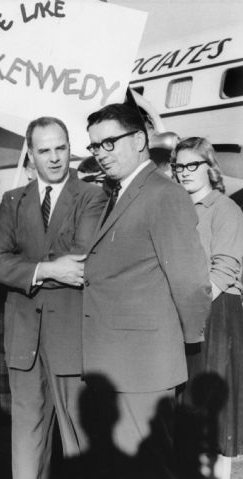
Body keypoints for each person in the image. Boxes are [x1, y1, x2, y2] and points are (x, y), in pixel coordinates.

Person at [82, 104, 212, 469]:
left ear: (139, 139)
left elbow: (191, 282)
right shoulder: (119, 193)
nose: (101, 154)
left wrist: (184, 343)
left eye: (109, 142)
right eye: (95, 146)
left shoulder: (162, 195)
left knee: (146, 468)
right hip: (118, 362)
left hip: (144, 366)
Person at [0, 117, 107, 479]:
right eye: (44, 151)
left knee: (78, 444)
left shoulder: (92, 196)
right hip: (24, 339)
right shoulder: (13, 200)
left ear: (71, 148)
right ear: (31, 157)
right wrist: (49, 270)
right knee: (26, 442)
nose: (54, 158)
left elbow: (81, 258)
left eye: (61, 148)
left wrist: (22, 268)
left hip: (71, 338)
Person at [172, 137, 243, 479]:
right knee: (186, 409)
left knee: (214, 409)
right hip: (183, 313)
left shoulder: (225, 208)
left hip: (215, 312)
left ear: (210, 167)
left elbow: (225, 268)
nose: (184, 172)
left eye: (192, 165)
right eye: (179, 166)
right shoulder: (176, 209)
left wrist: (191, 311)